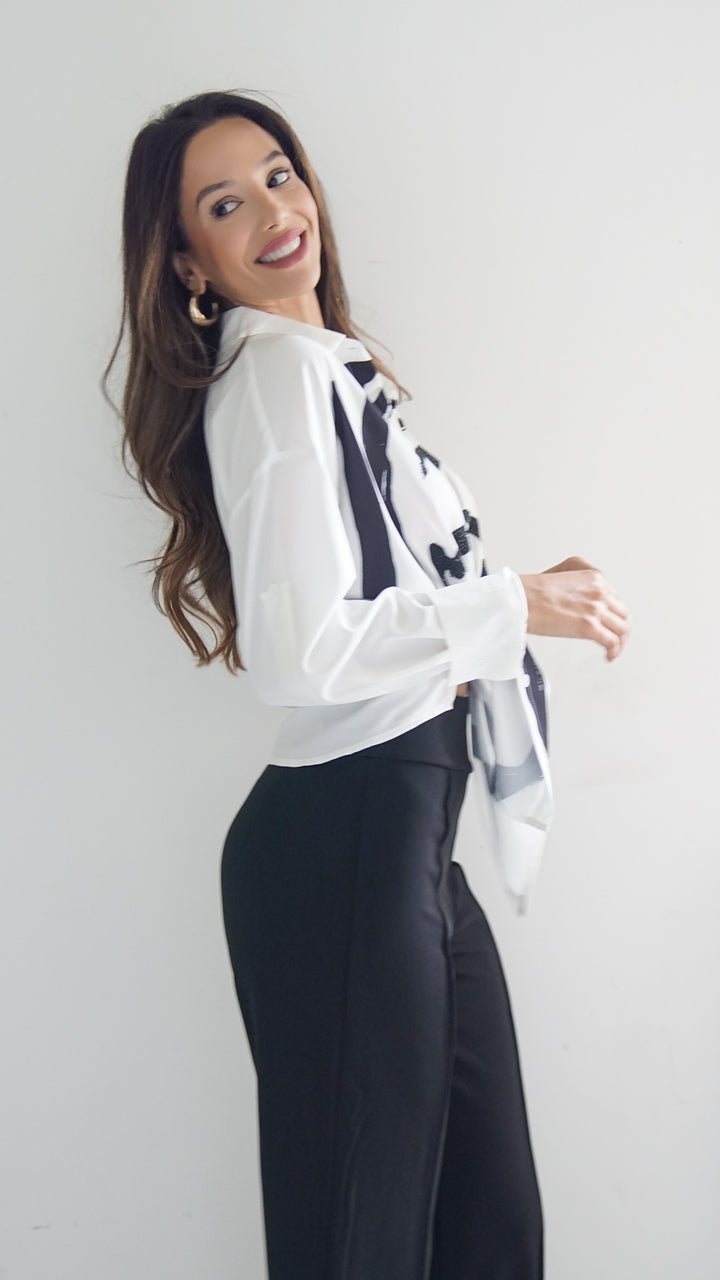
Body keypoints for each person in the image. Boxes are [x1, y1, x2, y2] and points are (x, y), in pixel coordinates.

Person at [103, 89, 631, 1280]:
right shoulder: (277, 380)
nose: (273, 211)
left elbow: (396, 591)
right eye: (224, 205)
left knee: (489, 1229)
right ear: (187, 262)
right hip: (345, 838)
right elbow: (303, 647)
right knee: (364, 1245)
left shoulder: (332, 373)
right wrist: (516, 604)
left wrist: (520, 588)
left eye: (278, 173)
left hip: (403, 844)